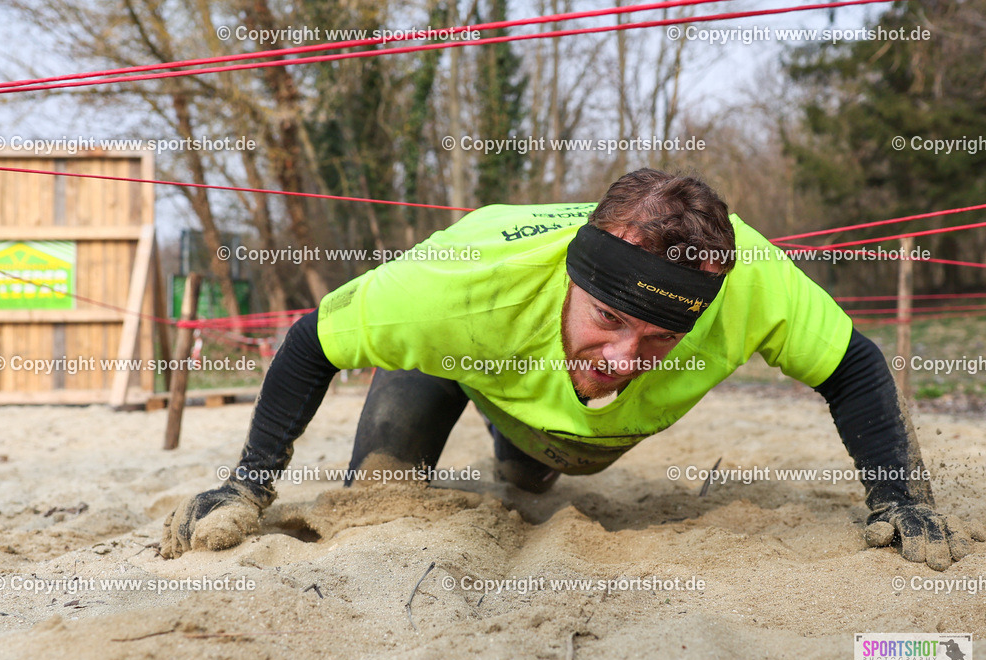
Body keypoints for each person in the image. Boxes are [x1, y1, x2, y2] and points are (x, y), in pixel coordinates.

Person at [161, 168, 983, 570]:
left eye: (659, 339)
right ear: (570, 278)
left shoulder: (752, 280)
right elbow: (311, 340)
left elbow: (855, 366)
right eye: (609, 320)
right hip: (469, 359)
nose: (624, 360)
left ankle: (521, 453)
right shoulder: (460, 276)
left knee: (530, 474)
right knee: (381, 501)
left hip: (572, 437)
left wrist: (899, 495)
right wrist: (247, 484)